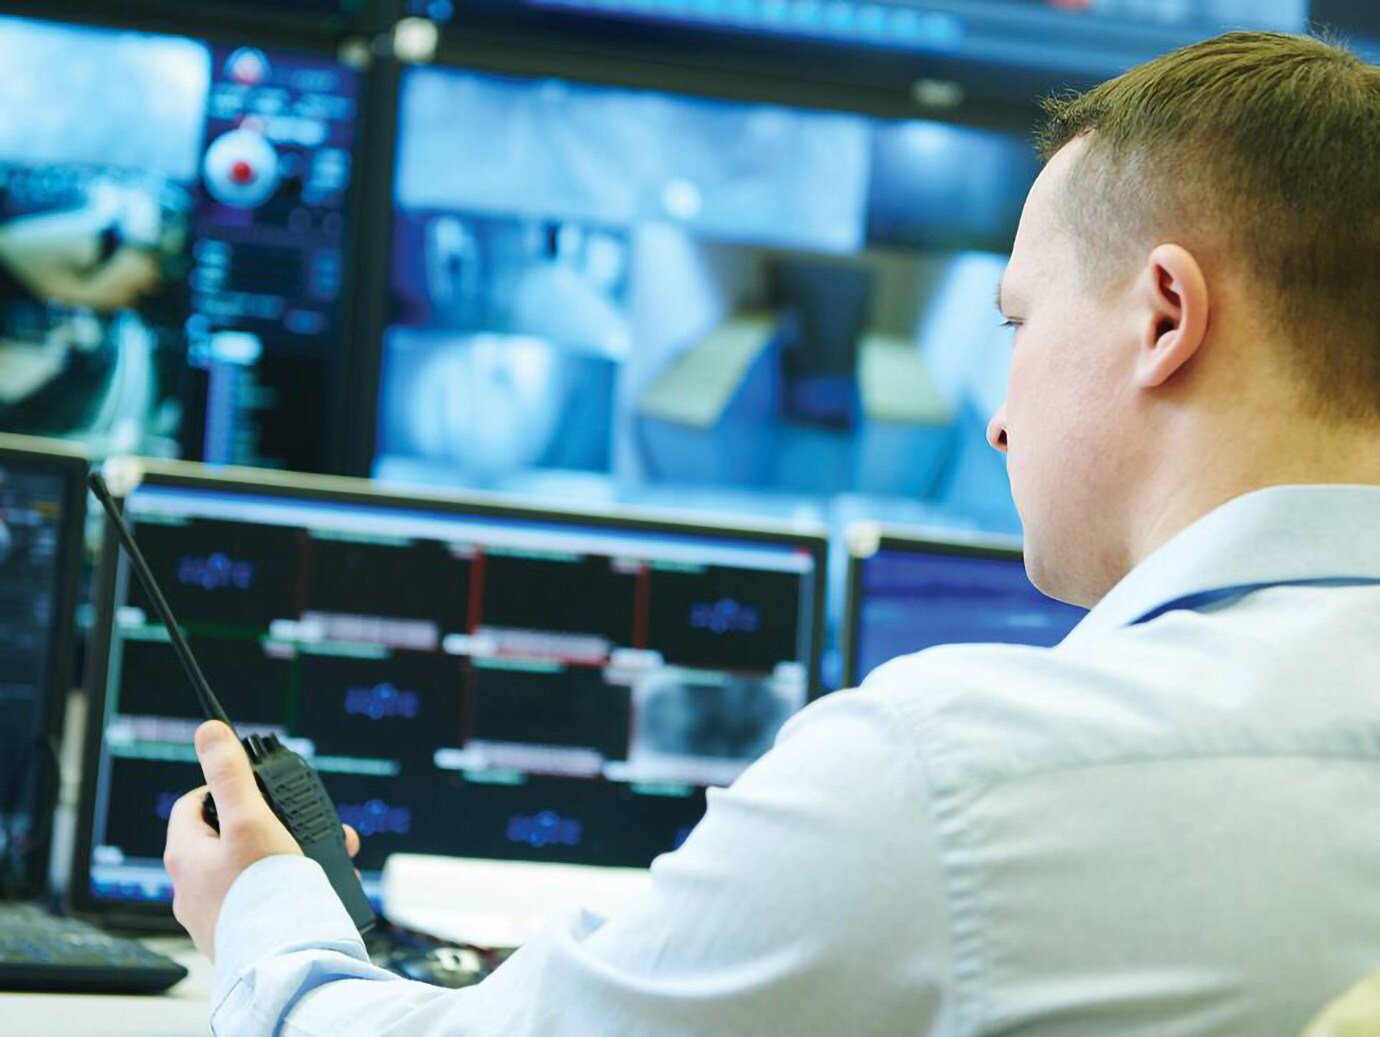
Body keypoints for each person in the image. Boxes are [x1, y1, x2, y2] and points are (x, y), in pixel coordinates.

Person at [163, 30, 1380, 1036]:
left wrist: (268, 913)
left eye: (1015, 319)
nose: (1001, 421)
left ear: (1165, 316)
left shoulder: (949, 773)